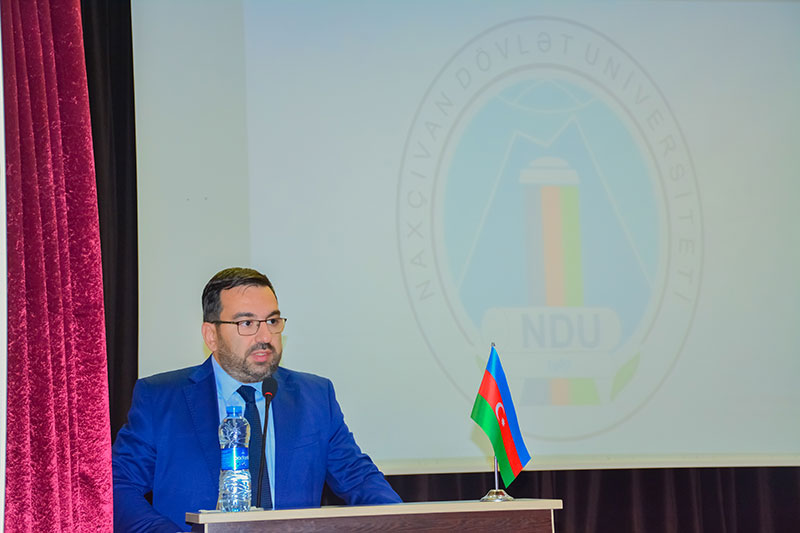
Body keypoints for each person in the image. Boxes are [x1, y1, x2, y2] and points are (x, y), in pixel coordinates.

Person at [112, 267, 401, 532]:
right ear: (211, 336)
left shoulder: (315, 397)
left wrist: (405, 523)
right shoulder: (161, 399)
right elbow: (118, 485)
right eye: (247, 323)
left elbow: (359, 478)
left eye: (272, 321)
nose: (265, 336)